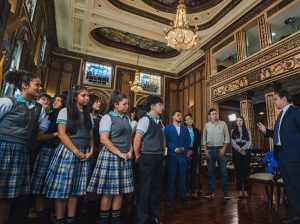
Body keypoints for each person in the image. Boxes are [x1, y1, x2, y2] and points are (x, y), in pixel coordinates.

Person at [43, 85, 94, 224]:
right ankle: (60, 220)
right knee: (63, 189)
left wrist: (91, 150)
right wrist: (76, 151)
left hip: (84, 151)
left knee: (76, 189)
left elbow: (90, 135)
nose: (87, 98)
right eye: (84, 95)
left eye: (88, 96)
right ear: (75, 96)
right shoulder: (65, 111)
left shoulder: (89, 114)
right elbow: (61, 134)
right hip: (69, 151)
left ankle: (70, 219)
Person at [0, 70, 42, 224]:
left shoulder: (35, 108)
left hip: (20, 151)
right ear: (24, 85)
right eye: (36, 84)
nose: (40, 87)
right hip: (4, 148)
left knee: (7, 195)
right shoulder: (8, 102)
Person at [87, 90, 134, 224]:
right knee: (108, 192)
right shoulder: (107, 117)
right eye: (124, 104)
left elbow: (129, 138)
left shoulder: (127, 118)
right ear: (116, 104)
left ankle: (115, 220)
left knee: (119, 192)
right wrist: (120, 153)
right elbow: (104, 140)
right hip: (111, 156)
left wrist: (130, 151)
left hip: (125, 156)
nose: (127, 106)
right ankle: (103, 220)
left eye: (128, 104)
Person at [257, 90, 300, 223]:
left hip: (293, 155)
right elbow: (279, 135)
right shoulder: (281, 114)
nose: (274, 101)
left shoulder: (296, 111)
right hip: (281, 155)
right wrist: (266, 131)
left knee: (297, 185)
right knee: (290, 186)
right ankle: (297, 214)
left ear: (284, 99)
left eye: (275, 99)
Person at [31, 94, 66, 224]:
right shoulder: (49, 116)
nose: (55, 102)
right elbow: (39, 136)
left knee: (55, 185)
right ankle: (40, 215)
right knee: (40, 184)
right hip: (47, 150)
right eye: (54, 100)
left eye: (59, 100)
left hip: (60, 152)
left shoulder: (66, 116)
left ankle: (50, 212)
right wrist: (57, 133)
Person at [133, 95, 165, 224]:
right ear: (152, 106)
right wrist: (137, 155)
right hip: (147, 157)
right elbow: (137, 139)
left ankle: (155, 216)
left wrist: (163, 154)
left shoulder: (160, 122)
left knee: (156, 189)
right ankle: (142, 218)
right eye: (160, 104)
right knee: (145, 188)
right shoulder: (145, 120)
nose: (162, 107)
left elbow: (163, 140)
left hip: (158, 158)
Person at [202, 108, 231, 200]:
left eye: (216, 113)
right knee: (210, 173)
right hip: (210, 151)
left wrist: (223, 149)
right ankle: (211, 192)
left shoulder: (223, 124)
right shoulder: (207, 125)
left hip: (220, 150)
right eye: (213, 114)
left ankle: (225, 193)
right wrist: (205, 150)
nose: (215, 115)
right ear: (210, 116)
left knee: (223, 173)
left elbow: (227, 137)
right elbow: (204, 138)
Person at [164, 111, 191, 205]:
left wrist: (183, 148)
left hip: (183, 156)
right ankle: (169, 198)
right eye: (178, 115)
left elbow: (188, 140)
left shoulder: (185, 128)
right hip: (172, 156)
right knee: (171, 177)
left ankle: (183, 197)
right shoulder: (167, 128)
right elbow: (166, 141)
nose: (180, 117)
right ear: (173, 116)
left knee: (183, 177)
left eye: (181, 115)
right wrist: (174, 149)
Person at [231, 116, 251, 200]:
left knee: (246, 173)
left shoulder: (247, 130)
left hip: (246, 153)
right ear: (236, 122)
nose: (239, 122)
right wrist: (239, 149)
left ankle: (246, 191)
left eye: (240, 121)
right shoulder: (233, 131)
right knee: (238, 173)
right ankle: (239, 191)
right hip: (237, 153)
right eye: (237, 121)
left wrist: (244, 149)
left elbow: (249, 141)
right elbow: (232, 142)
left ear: (243, 122)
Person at [184, 113, 201, 198]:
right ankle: (186, 191)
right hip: (184, 152)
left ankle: (193, 191)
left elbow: (197, 142)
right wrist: (186, 151)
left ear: (192, 120)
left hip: (194, 152)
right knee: (185, 172)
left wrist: (192, 151)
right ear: (185, 121)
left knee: (193, 172)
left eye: (190, 119)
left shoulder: (196, 131)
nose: (189, 120)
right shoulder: (183, 129)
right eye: (187, 119)